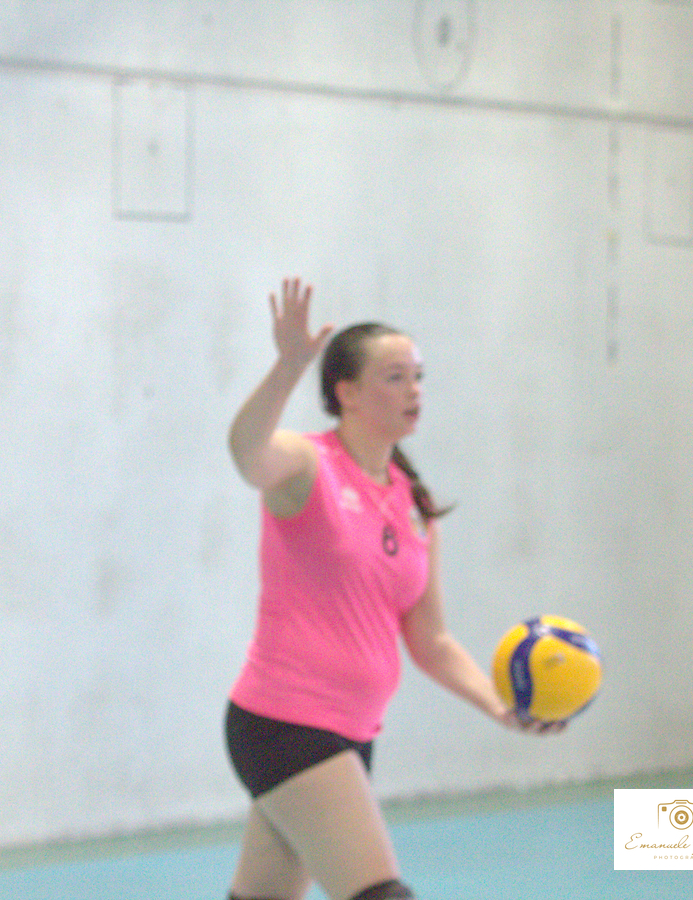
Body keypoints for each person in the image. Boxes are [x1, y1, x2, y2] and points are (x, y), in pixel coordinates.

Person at [223, 279, 557, 900]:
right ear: (346, 392)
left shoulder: (415, 505)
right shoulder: (307, 464)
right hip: (287, 722)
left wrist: (500, 705)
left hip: (352, 733)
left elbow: (432, 642)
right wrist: (288, 367)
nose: (414, 391)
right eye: (395, 377)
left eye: (419, 377)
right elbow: (247, 454)